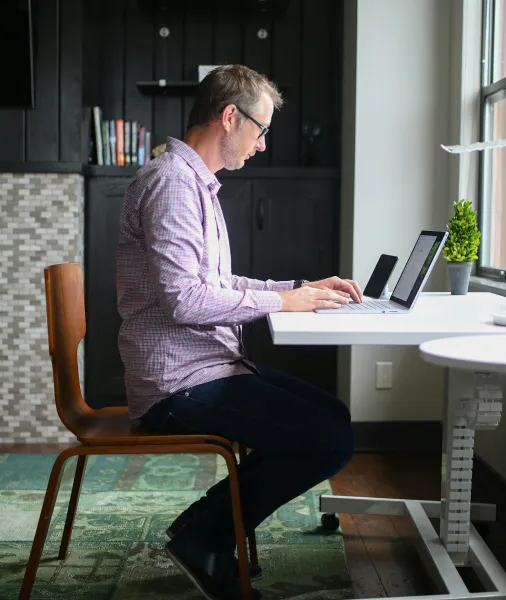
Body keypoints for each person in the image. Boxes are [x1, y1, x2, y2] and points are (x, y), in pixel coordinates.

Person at [116, 64, 362, 600]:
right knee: (329, 437)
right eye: (262, 128)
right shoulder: (172, 184)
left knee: (335, 420)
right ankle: (204, 535)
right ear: (231, 116)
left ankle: (205, 530)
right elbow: (186, 300)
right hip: (177, 382)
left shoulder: (194, 183)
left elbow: (219, 283)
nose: (263, 144)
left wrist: (300, 287)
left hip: (208, 366)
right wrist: (283, 302)